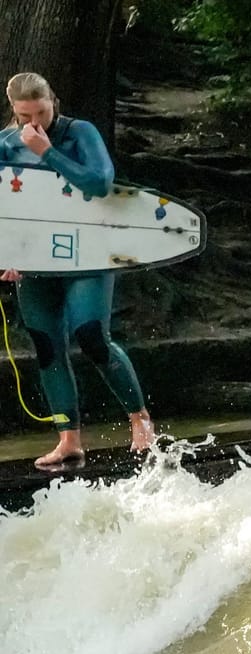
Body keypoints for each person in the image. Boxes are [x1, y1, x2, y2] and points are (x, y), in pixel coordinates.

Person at [0, 72, 156, 469]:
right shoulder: (5, 144)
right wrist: (7, 255)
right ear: (13, 111)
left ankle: (140, 420)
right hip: (37, 261)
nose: (34, 123)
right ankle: (68, 440)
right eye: (24, 116)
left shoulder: (79, 132)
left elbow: (101, 183)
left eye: (41, 111)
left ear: (53, 100)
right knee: (47, 345)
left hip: (89, 253)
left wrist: (48, 152)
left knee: (90, 335)